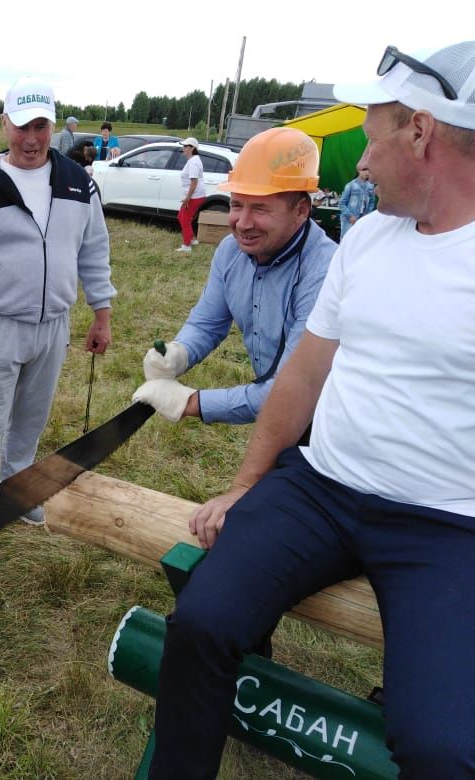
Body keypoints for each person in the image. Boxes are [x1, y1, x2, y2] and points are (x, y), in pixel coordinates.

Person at [147, 40, 475, 778]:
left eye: (371, 129)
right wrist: (247, 484)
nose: (358, 161)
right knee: (200, 622)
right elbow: (301, 378)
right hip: (322, 486)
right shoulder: (369, 242)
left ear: (420, 131)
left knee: (442, 745)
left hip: (446, 522)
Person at [0, 76, 115, 576]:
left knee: (31, 421)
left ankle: (16, 496)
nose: (31, 138)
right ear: (5, 124)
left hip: (54, 324)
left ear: (52, 125)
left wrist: (101, 312)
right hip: (0, 325)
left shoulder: (79, 182)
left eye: (40, 126)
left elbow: (94, 250)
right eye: (20, 126)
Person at [132, 127, 336, 427]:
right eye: (237, 204)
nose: (242, 223)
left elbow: (293, 390)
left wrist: (189, 402)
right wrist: (180, 353)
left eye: (260, 208)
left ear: (301, 211)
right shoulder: (230, 251)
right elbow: (207, 322)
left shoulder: (325, 272)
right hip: (281, 410)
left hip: (329, 419)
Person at [174, 137, 206, 253]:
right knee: (181, 217)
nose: (183, 148)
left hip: (194, 196)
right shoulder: (193, 160)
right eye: (183, 146)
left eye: (186, 146)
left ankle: (186, 246)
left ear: (192, 148)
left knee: (184, 219)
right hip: (195, 195)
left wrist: (187, 198)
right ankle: (192, 239)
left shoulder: (194, 162)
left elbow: (194, 181)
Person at [338, 161, 376, 239]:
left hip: (362, 219)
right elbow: (341, 204)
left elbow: (372, 201)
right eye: (364, 170)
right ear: (358, 170)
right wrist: (350, 216)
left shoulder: (370, 186)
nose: (366, 172)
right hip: (349, 220)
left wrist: (367, 214)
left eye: (368, 170)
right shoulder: (350, 185)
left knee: (359, 241)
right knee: (346, 241)